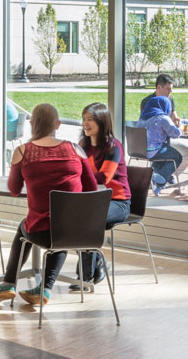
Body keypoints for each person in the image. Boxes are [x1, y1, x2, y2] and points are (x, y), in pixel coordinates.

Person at [0, 103, 97, 306]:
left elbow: (14, 189)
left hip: (39, 232)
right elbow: (91, 188)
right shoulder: (76, 149)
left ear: (32, 124)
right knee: (62, 227)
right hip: (76, 233)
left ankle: (9, 283)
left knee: (24, 227)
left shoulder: (23, 151)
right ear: (58, 125)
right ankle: (44, 289)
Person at [74, 102, 131, 291]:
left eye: (90, 119)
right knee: (69, 220)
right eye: (83, 119)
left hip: (118, 202)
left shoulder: (114, 147)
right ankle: (98, 262)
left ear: (101, 121)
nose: (85, 123)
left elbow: (103, 178)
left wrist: (79, 176)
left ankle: (86, 277)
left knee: (88, 222)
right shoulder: (83, 145)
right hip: (93, 201)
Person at [140, 74, 188, 175]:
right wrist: (176, 128)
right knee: (182, 155)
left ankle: (166, 175)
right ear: (159, 87)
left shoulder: (169, 99)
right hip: (154, 145)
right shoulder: (147, 102)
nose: (170, 92)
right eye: (168, 89)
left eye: (171, 89)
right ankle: (163, 177)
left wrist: (177, 120)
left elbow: (173, 115)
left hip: (165, 140)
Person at [137, 96, 183, 196]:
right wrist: (181, 127)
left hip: (139, 150)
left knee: (163, 157)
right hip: (153, 151)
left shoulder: (142, 117)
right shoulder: (163, 118)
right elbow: (175, 134)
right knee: (177, 157)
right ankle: (159, 181)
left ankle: (156, 181)